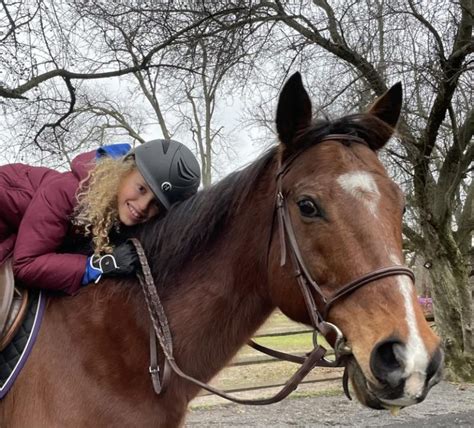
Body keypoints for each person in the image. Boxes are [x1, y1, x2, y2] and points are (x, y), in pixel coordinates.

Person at [0, 139, 201, 295]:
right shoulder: (65, 191)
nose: (142, 207)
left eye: (155, 204)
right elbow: (26, 264)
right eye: (141, 188)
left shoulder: (117, 212)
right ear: (123, 172)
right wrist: (99, 265)